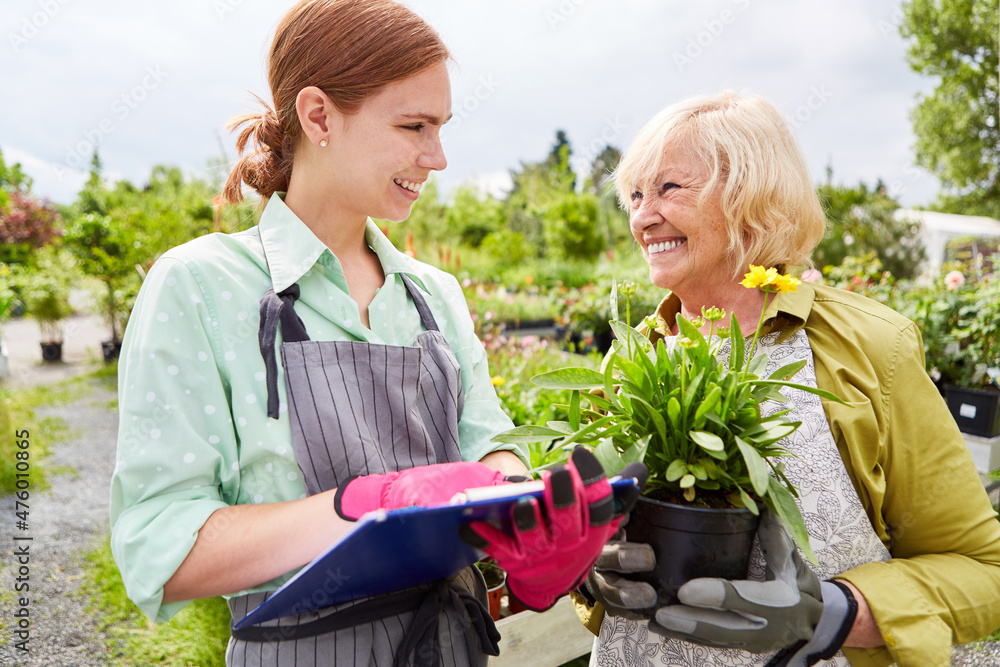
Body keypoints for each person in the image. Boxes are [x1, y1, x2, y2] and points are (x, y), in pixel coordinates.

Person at [109, 2, 631, 665]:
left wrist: (525, 526)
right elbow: (162, 544)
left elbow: (491, 445)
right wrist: (365, 506)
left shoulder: (432, 293)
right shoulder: (202, 288)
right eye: (413, 125)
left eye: (440, 128)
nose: (437, 157)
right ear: (319, 115)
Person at [572, 91, 1000, 667]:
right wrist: (586, 571)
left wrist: (839, 613)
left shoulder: (870, 345)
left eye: (670, 188)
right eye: (635, 195)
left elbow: (983, 571)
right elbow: (598, 561)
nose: (643, 217)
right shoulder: (633, 358)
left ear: (752, 195)